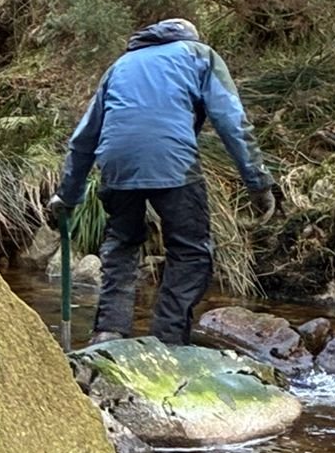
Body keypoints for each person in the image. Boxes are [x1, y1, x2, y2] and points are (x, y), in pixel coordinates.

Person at [47, 17, 275, 346]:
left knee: (122, 244)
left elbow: (85, 138)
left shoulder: (121, 65)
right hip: (174, 162)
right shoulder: (200, 55)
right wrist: (258, 182)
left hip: (117, 164)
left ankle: (108, 332)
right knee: (190, 250)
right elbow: (231, 121)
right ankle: (168, 341)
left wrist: (67, 197)